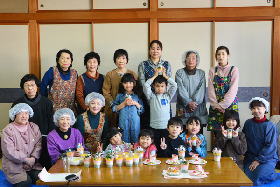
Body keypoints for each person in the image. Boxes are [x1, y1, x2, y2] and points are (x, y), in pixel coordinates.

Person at [11, 74, 55, 170]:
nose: (30, 88)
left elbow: (51, 122)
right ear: (23, 87)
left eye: (32, 85)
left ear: (37, 86)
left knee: (46, 166)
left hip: (43, 139)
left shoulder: (46, 102)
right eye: (27, 85)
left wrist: (49, 139)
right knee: (24, 165)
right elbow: (12, 124)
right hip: (23, 140)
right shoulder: (17, 104)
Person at [2, 103, 42, 187]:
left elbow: (38, 144)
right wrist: (25, 159)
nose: (24, 116)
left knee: (41, 178)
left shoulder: (34, 127)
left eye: (26, 113)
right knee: (25, 183)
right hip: (14, 165)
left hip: (32, 164)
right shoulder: (8, 130)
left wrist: (33, 158)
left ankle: (29, 174)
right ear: (14, 115)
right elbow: (9, 151)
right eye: (21, 113)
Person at [243, 97, 280, 186]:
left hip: (267, 158)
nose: (256, 110)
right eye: (253, 108)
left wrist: (258, 161)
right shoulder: (248, 123)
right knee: (246, 174)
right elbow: (244, 141)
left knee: (261, 174)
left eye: (259, 108)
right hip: (251, 157)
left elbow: (270, 147)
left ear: (265, 109)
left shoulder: (270, 126)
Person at [138, 40, 172, 129]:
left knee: (165, 128)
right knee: (148, 129)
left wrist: (164, 97)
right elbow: (142, 84)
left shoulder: (166, 64)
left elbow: (168, 83)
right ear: (149, 50)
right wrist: (149, 100)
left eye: (158, 48)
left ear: (161, 51)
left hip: (163, 101)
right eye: (153, 49)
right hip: (148, 100)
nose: (155, 51)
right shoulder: (143, 64)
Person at [143, 66, 177, 150]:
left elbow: (175, 85)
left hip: (166, 127)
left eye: (162, 86)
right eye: (157, 86)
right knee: (155, 147)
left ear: (166, 86)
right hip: (154, 127)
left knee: (165, 146)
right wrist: (155, 75)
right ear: (153, 86)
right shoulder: (151, 96)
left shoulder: (168, 96)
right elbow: (145, 85)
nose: (160, 88)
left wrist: (165, 76)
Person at [103, 49, 137, 128]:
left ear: (127, 60)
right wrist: (114, 106)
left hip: (130, 108)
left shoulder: (132, 74)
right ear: (115, 60)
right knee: (114, 132)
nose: (121, 60)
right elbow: (106, 92)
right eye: (118, 58)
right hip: (113, 109)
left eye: (123, 58)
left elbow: (136, 90)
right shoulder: (110, 74)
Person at [207, 46, 239, 133]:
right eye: (218, 54)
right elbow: (210, 89)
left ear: (228, 55)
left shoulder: (234, 69)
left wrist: (222, 105)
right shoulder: (212, 70)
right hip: (216, 106)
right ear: (216, 56)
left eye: (223, 54)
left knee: (231, 132)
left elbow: (233, 89)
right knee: (217, 135)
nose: (221, 56)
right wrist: (215, 105)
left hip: (230, 105)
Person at [175, 50, 207, 133]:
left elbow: (201, 90)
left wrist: (194, 104)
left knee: (198, 137)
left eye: (193, 58)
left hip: (198, 109)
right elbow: (180, 89)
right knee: (183, 137)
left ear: (197, 61)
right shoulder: (179, 73)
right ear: (185, 60)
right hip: (183, 109)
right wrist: (189, 103)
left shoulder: (201, 73)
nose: (191, 60)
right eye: (188, 58)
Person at [40, 49, 78, 115]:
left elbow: (78, 90)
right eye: (62, 58)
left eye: (68, 58)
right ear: (58, 60)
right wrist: (46, 100)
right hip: (54, 108)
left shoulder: (74, 73)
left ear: (71, 61)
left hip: (70, 109)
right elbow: (43, 85)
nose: (65, 60)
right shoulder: (52, 71)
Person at [112, 73, 144, 144]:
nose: (128, 85)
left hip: (135, 124)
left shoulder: (137, 96)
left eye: (130, 83)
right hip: (123, 124)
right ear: (122, 84)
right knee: (124, 142)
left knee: (135, 142)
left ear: (134, 83)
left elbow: (142, 110)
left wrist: (136, 103)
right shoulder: (120, 96)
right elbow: (114, 109)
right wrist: (123, 104)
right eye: (125, 83)